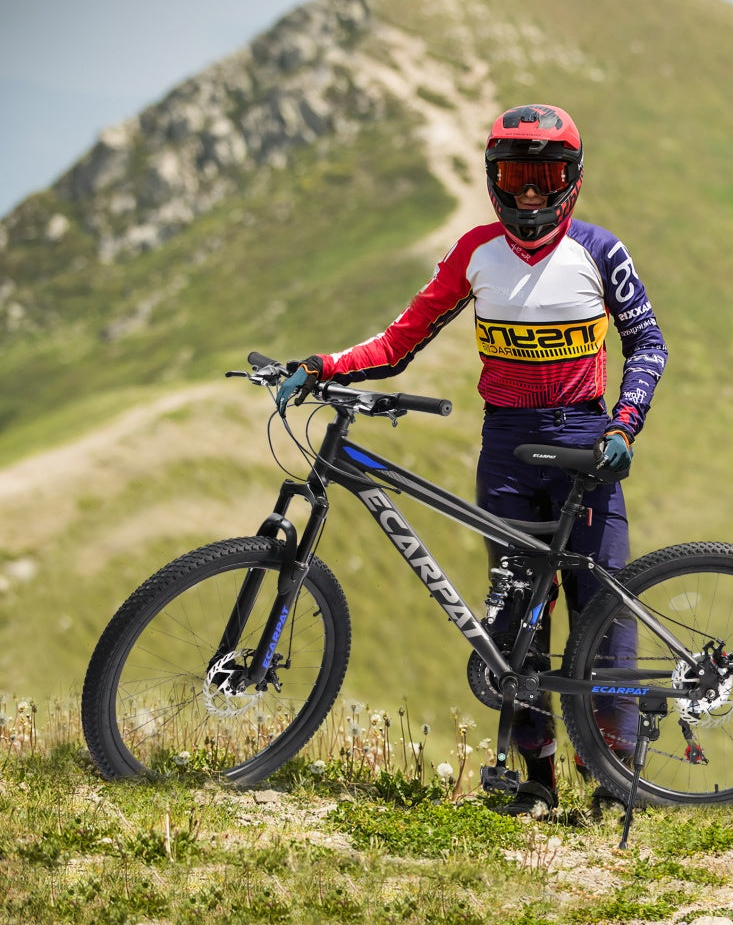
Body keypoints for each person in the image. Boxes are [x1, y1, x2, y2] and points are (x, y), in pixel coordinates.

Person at [276, 103, 668, 818]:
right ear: (494, 178)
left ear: (570, 181)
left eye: (545, 177)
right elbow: (399, 341)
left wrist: (623, 425)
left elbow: (648, 344)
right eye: (515, 175)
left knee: (604, 619)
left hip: (585, 441)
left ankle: (614, 785)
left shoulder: (600, 251)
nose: (528, 194)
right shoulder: (473, 253)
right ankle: (537, 783)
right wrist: (323, 364)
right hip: (508, 452)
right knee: (515, 624)